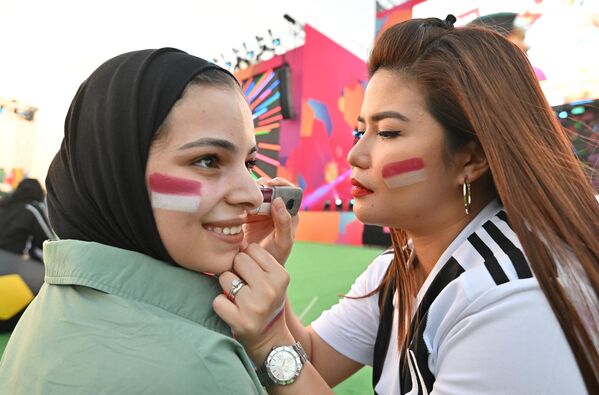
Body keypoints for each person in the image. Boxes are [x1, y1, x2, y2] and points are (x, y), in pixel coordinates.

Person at [212, 16, 599, 394]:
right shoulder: (397, 270)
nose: (355, 155)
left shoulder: (513, 299)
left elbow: (293, 364)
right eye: (361, 130)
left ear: (471, 159)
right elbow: (312, 360)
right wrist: (266, 280)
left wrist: (270, 342)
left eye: (389, 132)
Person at [0, 48, 295, 394]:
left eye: (249, 164)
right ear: (119, 174)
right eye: (207, 161)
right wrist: (273, 342)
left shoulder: (49, 309)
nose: (252, 194)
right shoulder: (200, 370)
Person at [0, 178, 53, 262]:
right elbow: (47, 238)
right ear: (38, 192)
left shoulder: (4, 204)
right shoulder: (32, 209)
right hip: (17, 262)